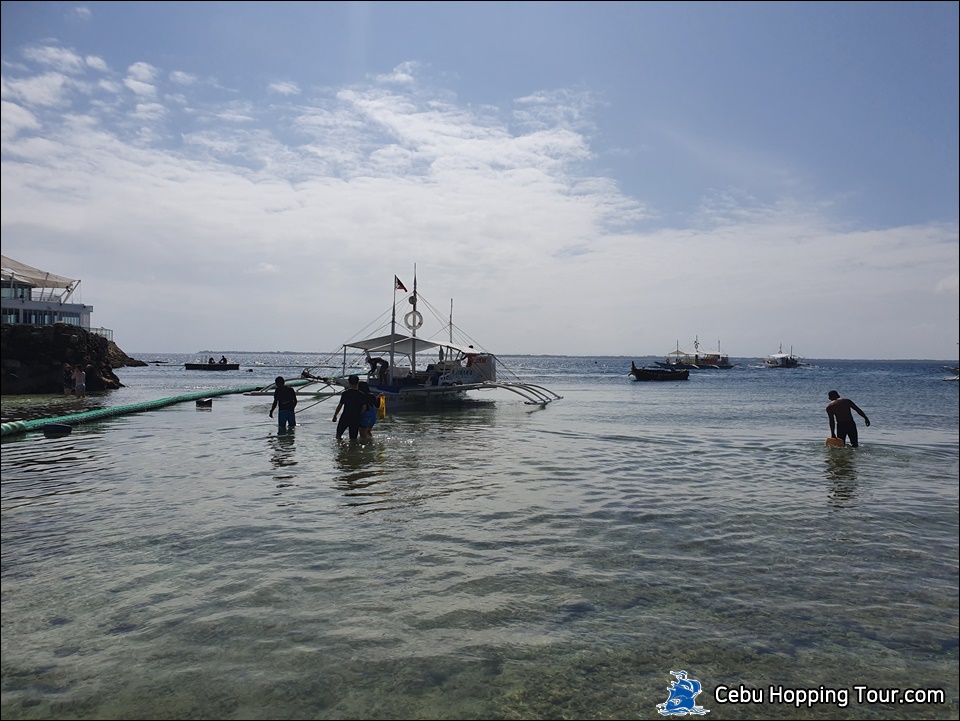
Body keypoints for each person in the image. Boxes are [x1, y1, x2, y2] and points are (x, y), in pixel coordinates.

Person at [332, 375, 368, 440]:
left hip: (345, 416)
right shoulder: (361, 394)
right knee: (353, 438)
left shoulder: (345, 394)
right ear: (358, 383)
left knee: (338, 435)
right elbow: (364, 407)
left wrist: (335, 415)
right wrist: (359, 415)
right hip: (355, 417)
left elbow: (340, 405)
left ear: (349, 383)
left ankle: (342, 448)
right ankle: (352, 449)